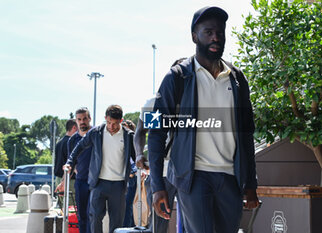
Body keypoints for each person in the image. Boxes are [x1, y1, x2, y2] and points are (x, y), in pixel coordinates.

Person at [148, 6, 259, 233]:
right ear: (194, 36)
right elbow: (155, 132)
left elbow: (247, 135)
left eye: (220, 32)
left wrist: (251, 183)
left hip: (230, 177)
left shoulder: (237, 80)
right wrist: (157, 186)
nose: (215, 37)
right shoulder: (176, 77)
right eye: (208, 32)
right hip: (193, 176)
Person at [135, 58, 187, 233]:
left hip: (189, 172)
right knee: (159, 224)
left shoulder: (194, 104)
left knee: (192, 223)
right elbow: (141, 132)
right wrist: (139, 154)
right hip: (162, 172)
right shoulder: (155, 104)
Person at [65, 105, 136, 233]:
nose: (111, 126)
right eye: (109, 122)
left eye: (115, 123)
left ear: (121, 120)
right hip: (99, 183)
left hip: (118, 185)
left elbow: (134, 157)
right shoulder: (96, 132)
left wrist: (136, 169)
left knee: (116, 223)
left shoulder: (128, 136)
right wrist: (70, 162)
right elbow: (79, 147)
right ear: (105, 118)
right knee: (95, 217)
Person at [66, 107, 93, 233]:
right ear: (76, 121)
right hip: (80, 181)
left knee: (93, 215)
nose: (82, 122)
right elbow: (71, 161)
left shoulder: (96, 135)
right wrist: (63, 181)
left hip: (96, 182)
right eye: (79, 119)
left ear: (90, 119)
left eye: (85, 119)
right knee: (82, 216)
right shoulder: (72, 140)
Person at [54, 119, 77, 207]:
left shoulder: (59, 143)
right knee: (71, 209)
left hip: (58, 179)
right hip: (69, 180)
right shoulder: (71, 143)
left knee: (63, 208)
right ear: (74, 128)